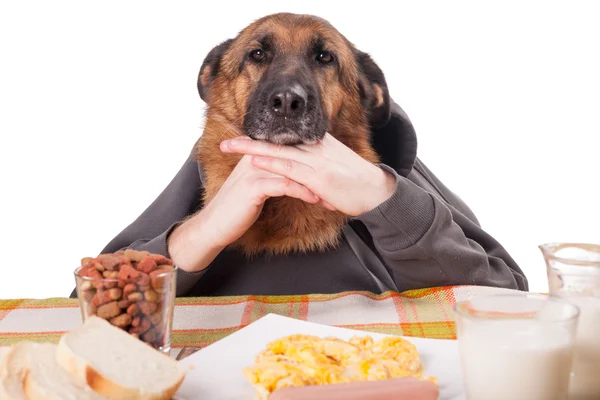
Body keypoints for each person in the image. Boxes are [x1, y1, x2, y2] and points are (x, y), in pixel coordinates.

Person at [72, 102, 528, 297]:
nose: (288, 95)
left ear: (362, 98)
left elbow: (505, 298)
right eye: (257, 56)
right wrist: (206, 230)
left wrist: (382, 195)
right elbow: (90, 304)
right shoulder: (214, 158)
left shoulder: (378, 156)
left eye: (323, 59)